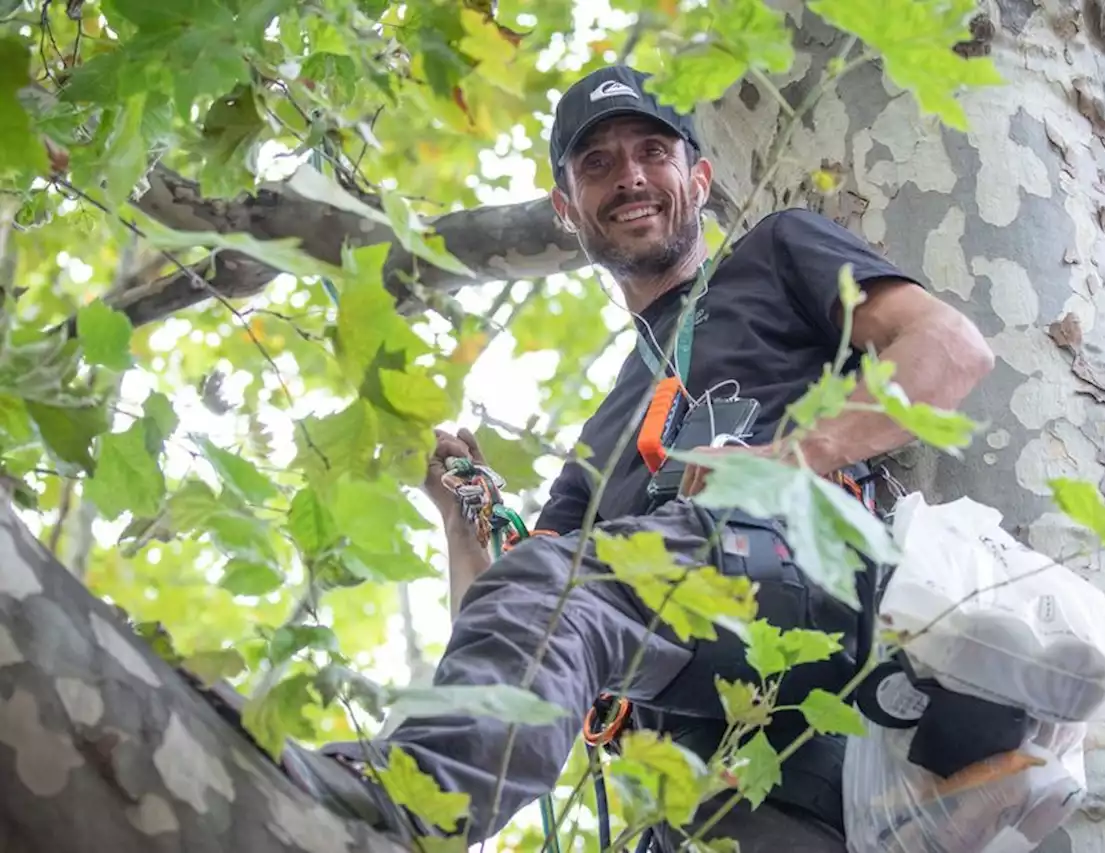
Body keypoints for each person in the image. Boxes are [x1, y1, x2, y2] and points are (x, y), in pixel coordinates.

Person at [282, 64, 995, 850]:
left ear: (699, 175)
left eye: (652, 151)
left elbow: (950, 348)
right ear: (566, 210)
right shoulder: (604, 438)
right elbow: (521, 645)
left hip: (818, 598)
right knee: (553, 598)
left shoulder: (774, 255)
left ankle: (402, 806)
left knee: (562, 591)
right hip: (743, 781)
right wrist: (458, 522)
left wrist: (796, 454)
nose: (629, 177)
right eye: (596, 164)